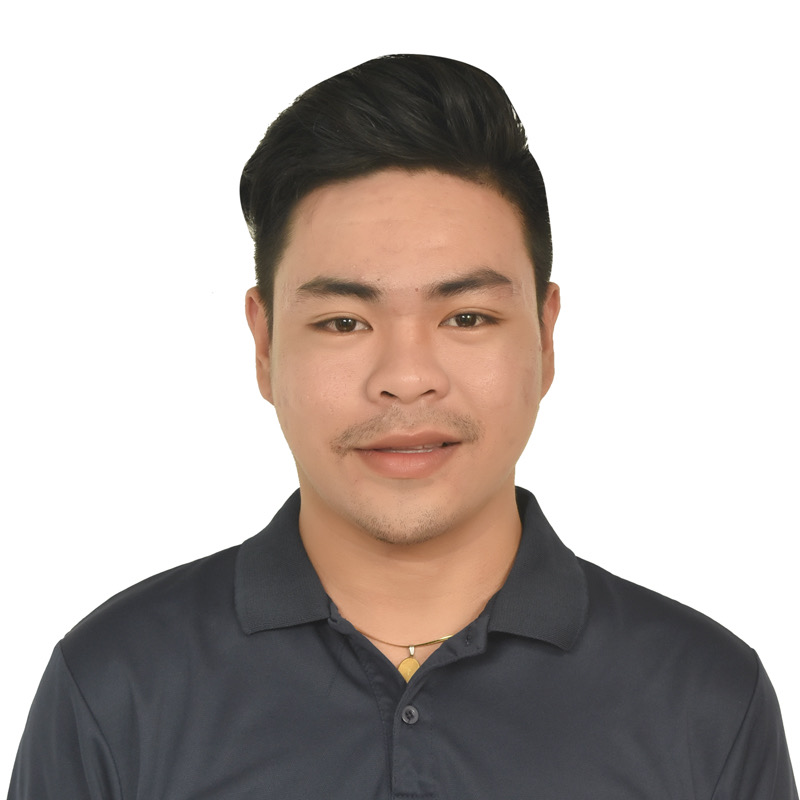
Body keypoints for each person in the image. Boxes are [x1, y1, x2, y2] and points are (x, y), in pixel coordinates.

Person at [8, 53, 796, 799]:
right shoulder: (115, 686)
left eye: (467, 316)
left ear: (546, 337)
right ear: (265, 344)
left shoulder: (707, 701)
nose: (407, 377)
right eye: (344, 322)